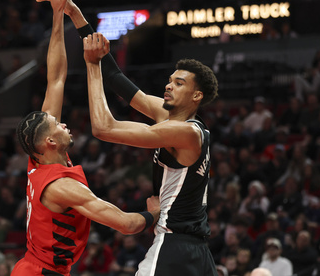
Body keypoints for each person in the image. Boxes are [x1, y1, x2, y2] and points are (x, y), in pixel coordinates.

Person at [11, 0, 160, 276]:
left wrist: (57, 14)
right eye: (57, 125)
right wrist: (153, 215)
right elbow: (126, 224)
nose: (63, 123)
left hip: (35, 268)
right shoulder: (62, 186)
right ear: (49, 143)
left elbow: (56, 78)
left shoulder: (39, 157)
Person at [82, 29, 218, 275]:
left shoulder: (186, 133)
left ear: (197, 95)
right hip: (195, 249)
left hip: (173, 244)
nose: (169, 85)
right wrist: (76, 16)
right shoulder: (180, 122)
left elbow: (103, 128)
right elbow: (114, 76)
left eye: (179, 83)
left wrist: (91, 65)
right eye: (170, 80)